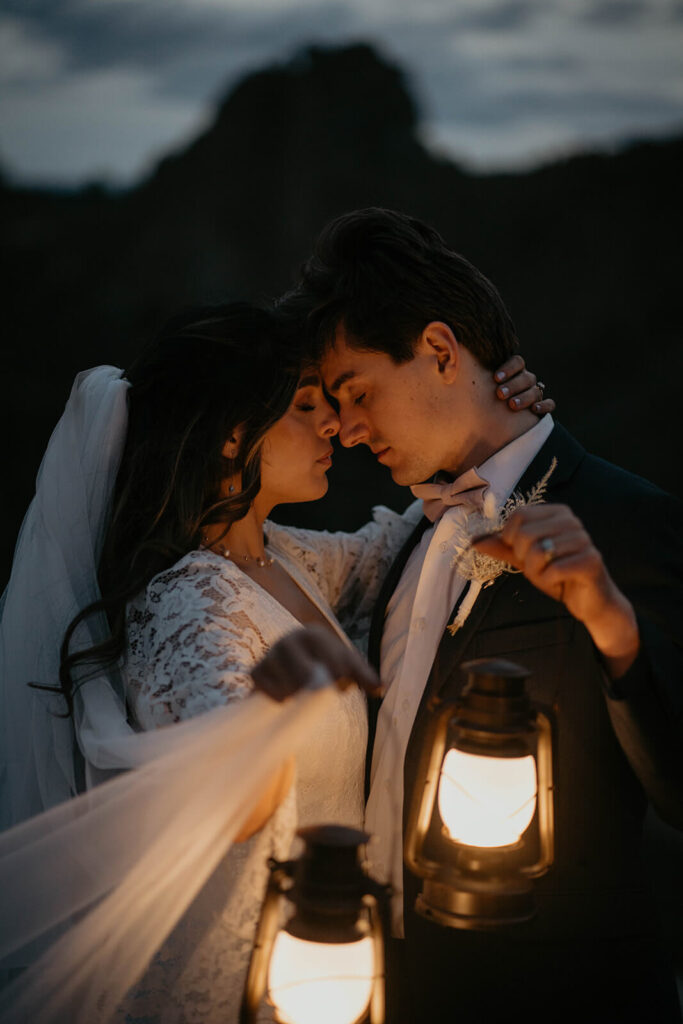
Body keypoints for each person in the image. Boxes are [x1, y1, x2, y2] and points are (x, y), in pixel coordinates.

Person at [0, 300, 544, 1022]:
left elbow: (405, 543)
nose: (333, 426)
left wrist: (493, 426)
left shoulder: (282, 557)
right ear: (232, 436)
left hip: (324, 962)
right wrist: (272, 708)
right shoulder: (187, 603)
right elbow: (225, 797)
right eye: (304, 406)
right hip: (246, 985)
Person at [257, 208, 683, 1023]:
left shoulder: (630, 521)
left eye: (356, 394)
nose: (344, 431)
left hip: (559, 999)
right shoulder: (409, 535)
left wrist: (614, 630)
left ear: (441, 352)